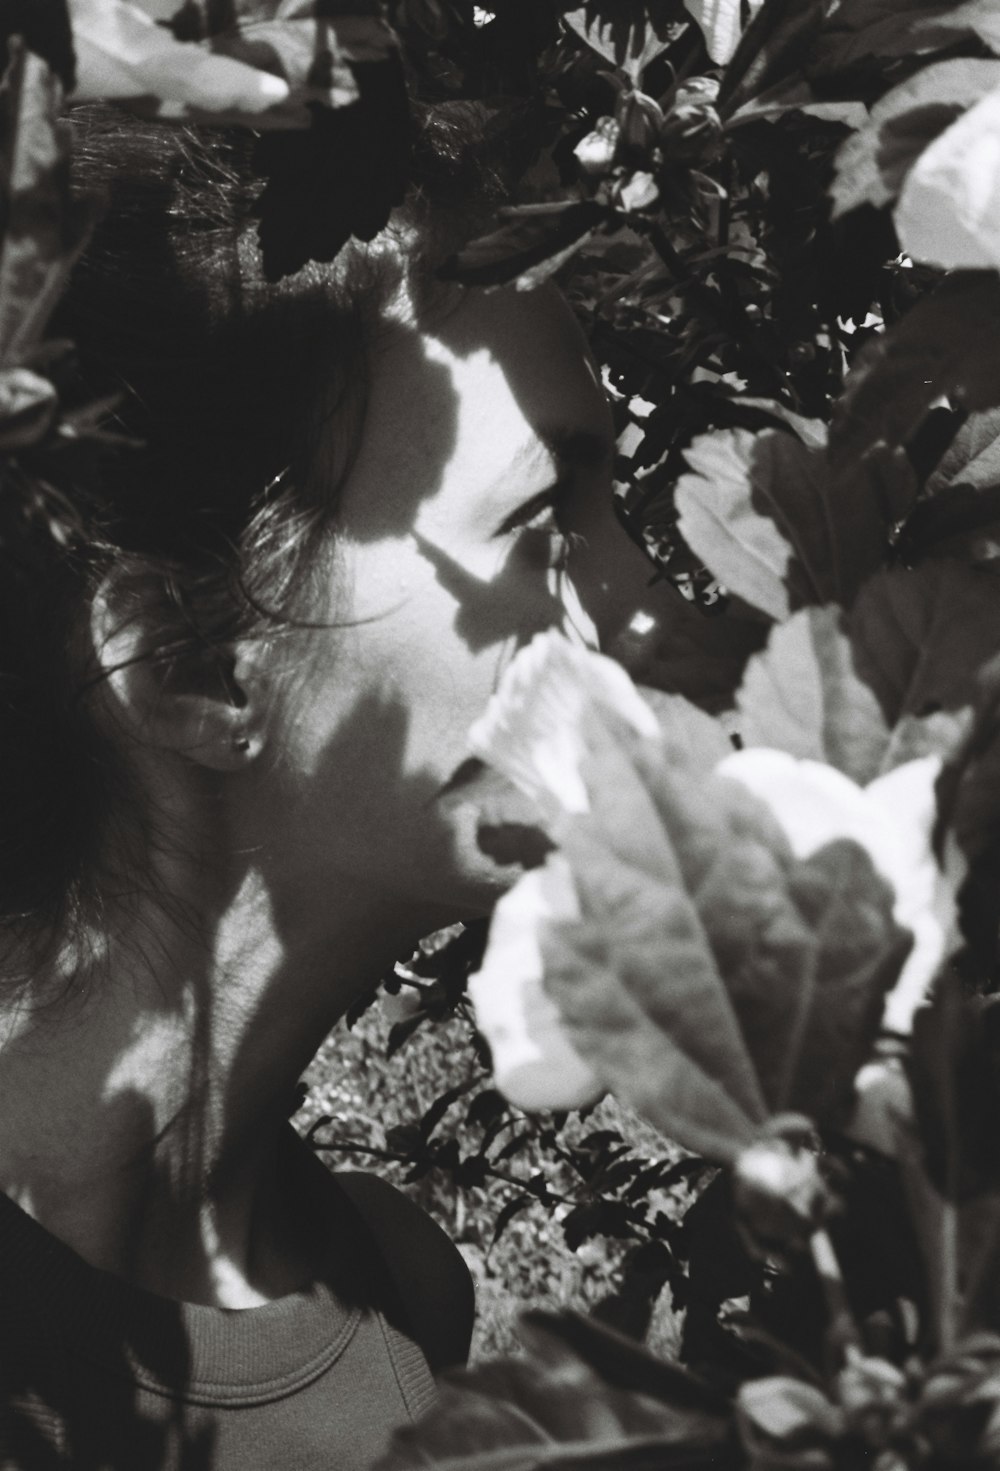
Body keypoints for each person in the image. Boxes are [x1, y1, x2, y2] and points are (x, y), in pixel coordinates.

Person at [0, 100, 659, 1469]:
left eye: (621, 513)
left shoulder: (408, 1302)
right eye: (542, 525)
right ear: (195, 669)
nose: (641, 606)